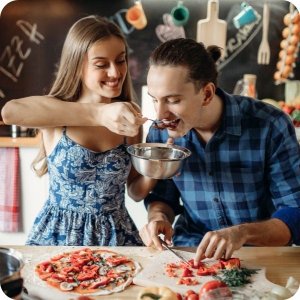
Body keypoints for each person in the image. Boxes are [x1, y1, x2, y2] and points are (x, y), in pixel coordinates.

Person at [133, 38, 300, 265]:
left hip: (257, 254)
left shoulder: (270, 125)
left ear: (207, 93)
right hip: (190, 251)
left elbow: (294, 213)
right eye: (155, 100)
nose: (160, 113)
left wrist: (242, 233)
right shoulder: (161, 134)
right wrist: (158, 218)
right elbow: (163, 198)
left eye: (172, 100)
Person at [1, 15, 152, 246]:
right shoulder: (57, 113)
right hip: (58, 238)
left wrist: (157, 168)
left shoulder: (128, 117)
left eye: (120, 60)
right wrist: (99, 114)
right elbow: (10, 112)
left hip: (117, 239)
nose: (115, 73)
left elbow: (135, 191)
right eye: (101, 64)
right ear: (77, 65)